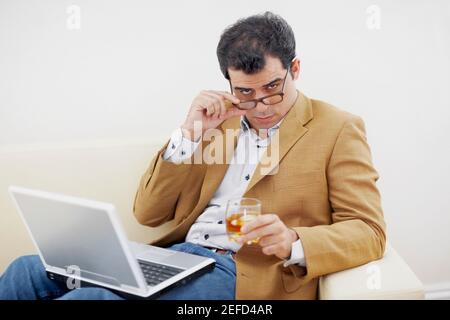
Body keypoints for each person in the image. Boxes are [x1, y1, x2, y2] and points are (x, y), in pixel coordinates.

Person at [0, 11, 385, 300]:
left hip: (243, 273)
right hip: (181, 257)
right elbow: (148, 213)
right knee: (27, 270)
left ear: (294, 68)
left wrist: (294, 240)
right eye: (246, 93)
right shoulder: (219, 124)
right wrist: (188, 136)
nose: (262, 105)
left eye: (273, 88)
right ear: (229, 84)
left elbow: (369, 231)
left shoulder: (338, 127)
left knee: (90, 299)